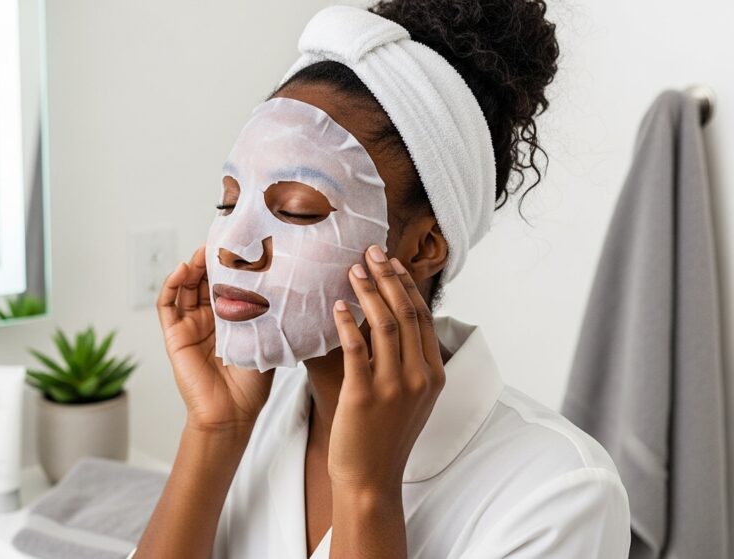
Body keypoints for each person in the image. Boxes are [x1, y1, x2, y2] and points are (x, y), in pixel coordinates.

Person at [134, 1, 630, 558]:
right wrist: (214, 433)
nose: (233, 245)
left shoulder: (560, 492)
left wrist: (367, 489)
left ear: (424, 247)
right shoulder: (254, 420)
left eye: (298, 210)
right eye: (228, 201)